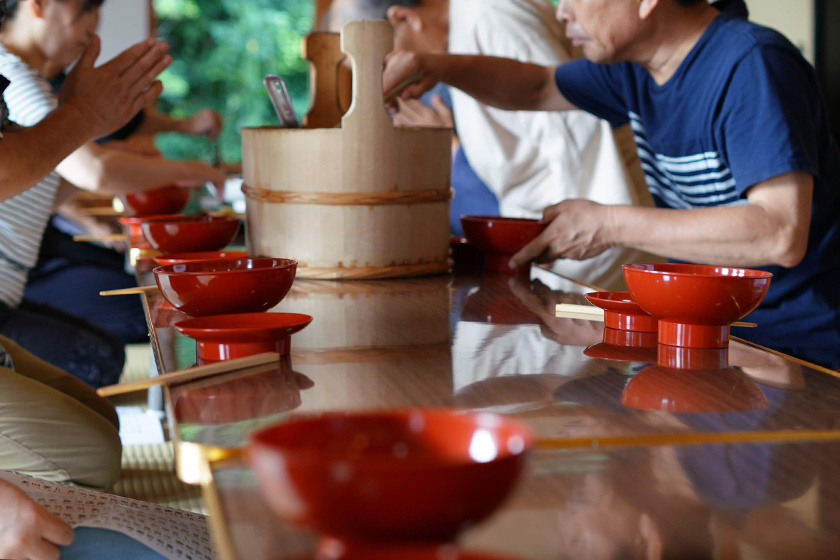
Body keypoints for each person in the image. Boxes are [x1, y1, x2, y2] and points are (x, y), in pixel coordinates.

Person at [383, 0, 840, 368]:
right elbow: (537, 86)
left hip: (798, 354)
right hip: (702, 338)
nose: (562, 12)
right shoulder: (634, 68)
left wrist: (608, 224)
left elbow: (779, 233)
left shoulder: (751, 62)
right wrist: (436, 66)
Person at [0, 0, 226, 386]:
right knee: (101, 353)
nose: (92, 29)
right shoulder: (14, 73)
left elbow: (36, 193)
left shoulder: (28, 77)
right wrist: (194, 170)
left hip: (13, 288)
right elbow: (95, 169)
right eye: (83, 12)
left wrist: (112, 146)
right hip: (17, 285)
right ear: (37, 5)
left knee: (107, 352)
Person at [358, 0, 657, 289]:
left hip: (587, 235)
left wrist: (566, 235)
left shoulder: (489, 13)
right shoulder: (462, 32)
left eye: (385, 63)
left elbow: (572, 127)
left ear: (404, 18)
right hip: (560, 235)